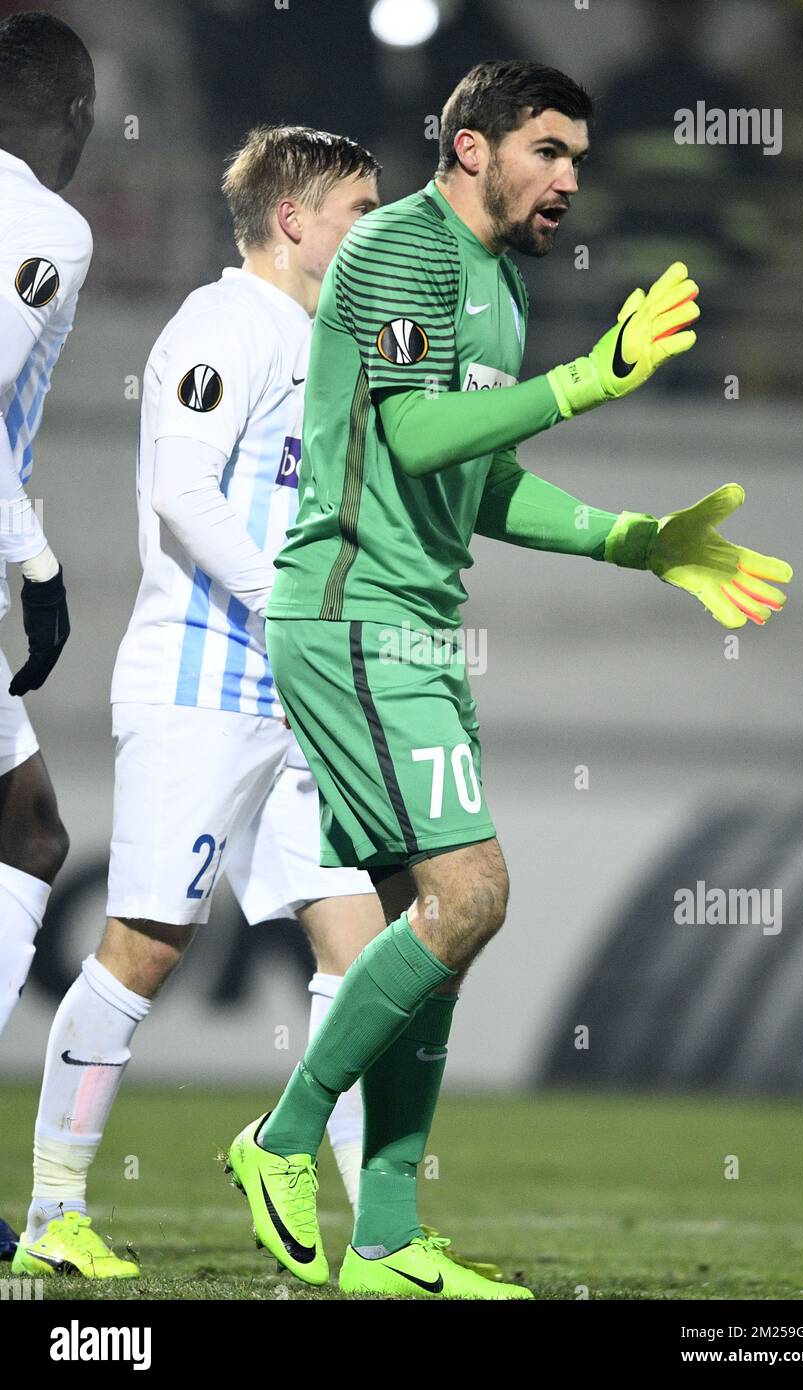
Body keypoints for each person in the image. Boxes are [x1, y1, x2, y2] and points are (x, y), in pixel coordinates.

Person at [224, 59, 792, 1300]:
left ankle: (380, 1240)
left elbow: (475, 483)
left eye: (577, 156)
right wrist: (592, 378)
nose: (570, 178)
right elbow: (415, 434)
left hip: (417, 622)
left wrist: (636, 542)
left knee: (439, 928)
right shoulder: (394, 252)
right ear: (471, 148)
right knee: (472, 894)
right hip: (349, 614)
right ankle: (276, 1139)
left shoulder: (493, 286)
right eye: (548, 150)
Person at [12, 125, 389, 1280]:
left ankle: (378, 1232)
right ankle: (54, 1212)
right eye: (359, 208)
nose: (376, 228)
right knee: (141, 949)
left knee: (362, 955)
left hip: (295, 694)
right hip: (199, 680)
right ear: (293, 218)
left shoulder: (327, 338)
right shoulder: (222, 325)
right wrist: (292, 603)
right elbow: (181, 490)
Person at [0, 10, 94, 1045]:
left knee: (28, 832)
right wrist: (37, 561)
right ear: (74, 118)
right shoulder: (42, 225)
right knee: (25, 837)